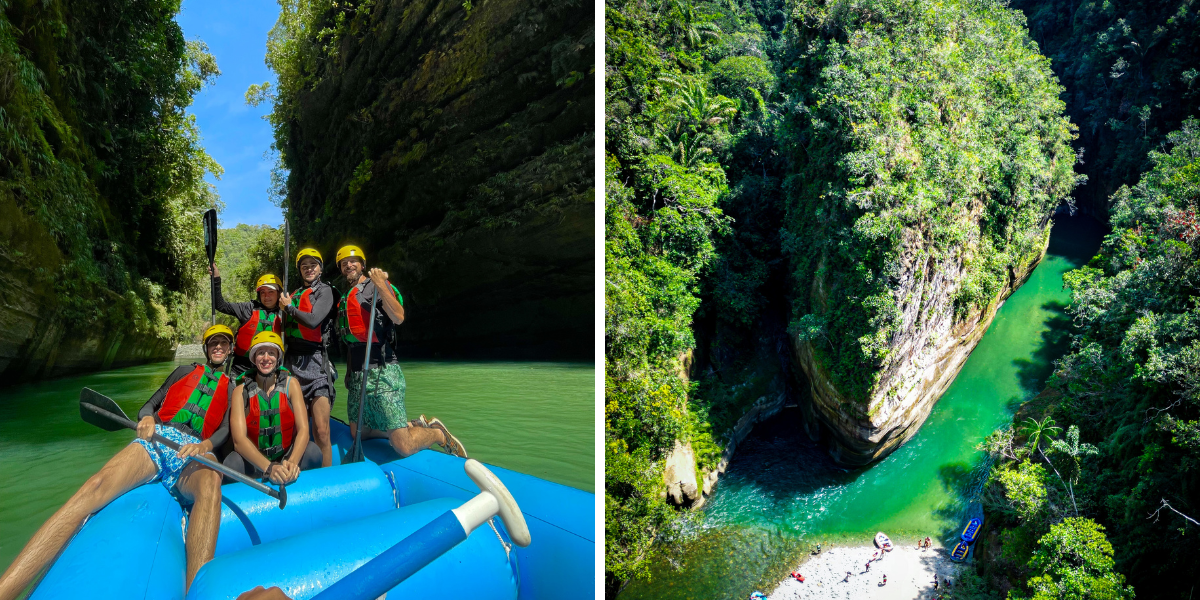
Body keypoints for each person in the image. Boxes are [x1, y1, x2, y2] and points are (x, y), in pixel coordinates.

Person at [0, 325, 235, 598]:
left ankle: (197, 592)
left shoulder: (232, 388)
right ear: (206, 348)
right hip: (161, 436)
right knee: (96, 485)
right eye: (213, 343)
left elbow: (225, 430)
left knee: (210, 484)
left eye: (223, 344)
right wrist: (147, 418)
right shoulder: (184, 372)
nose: (218, 347)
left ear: (230, 350)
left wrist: (204, 445)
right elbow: (151, 404)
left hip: (196, 449)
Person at [335, 245, 466, 458]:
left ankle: (438, 435)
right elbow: (353, 342)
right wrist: (349, 372)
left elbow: (398, 316)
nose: (348, 265)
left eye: (353, 261)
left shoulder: (376, 286)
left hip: (382, 371)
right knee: (359, 432)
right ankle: (412, 424)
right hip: (359, 373)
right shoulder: (346, 296)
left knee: (403, 447)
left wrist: (380, 284)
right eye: (343, 263)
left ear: (362, 264)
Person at [224, 332, 320, 483]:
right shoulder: (240, 392)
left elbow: (303, 430)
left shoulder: (291, 384)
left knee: (313, 452)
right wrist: (269, 468)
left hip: (286, 456)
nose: (266, 358)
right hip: (255, 462)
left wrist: (293, 462)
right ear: (254, 358)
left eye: (271, 353)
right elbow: (239, 441)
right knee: (231, 463)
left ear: (278, 357)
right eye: (261, 353)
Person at [280, 248, 338, 467]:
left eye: (313, 265)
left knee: (321, 431)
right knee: (297, 429)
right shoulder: (292, 295)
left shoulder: (325, 292)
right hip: (292, 364)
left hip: (316, 362)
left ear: (320, 269)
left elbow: (313, 321)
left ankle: (327, 478)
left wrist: (290, 309)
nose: (309, 269)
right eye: (304, 266)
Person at [211, 265, 286, 379]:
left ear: (278, 294)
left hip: (268, 366)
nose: (266, 296)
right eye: (263, 292)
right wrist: (216, 278)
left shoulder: (285, 313)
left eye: (271, 292)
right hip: (241, 367)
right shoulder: (247, 309)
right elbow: (220, 305)